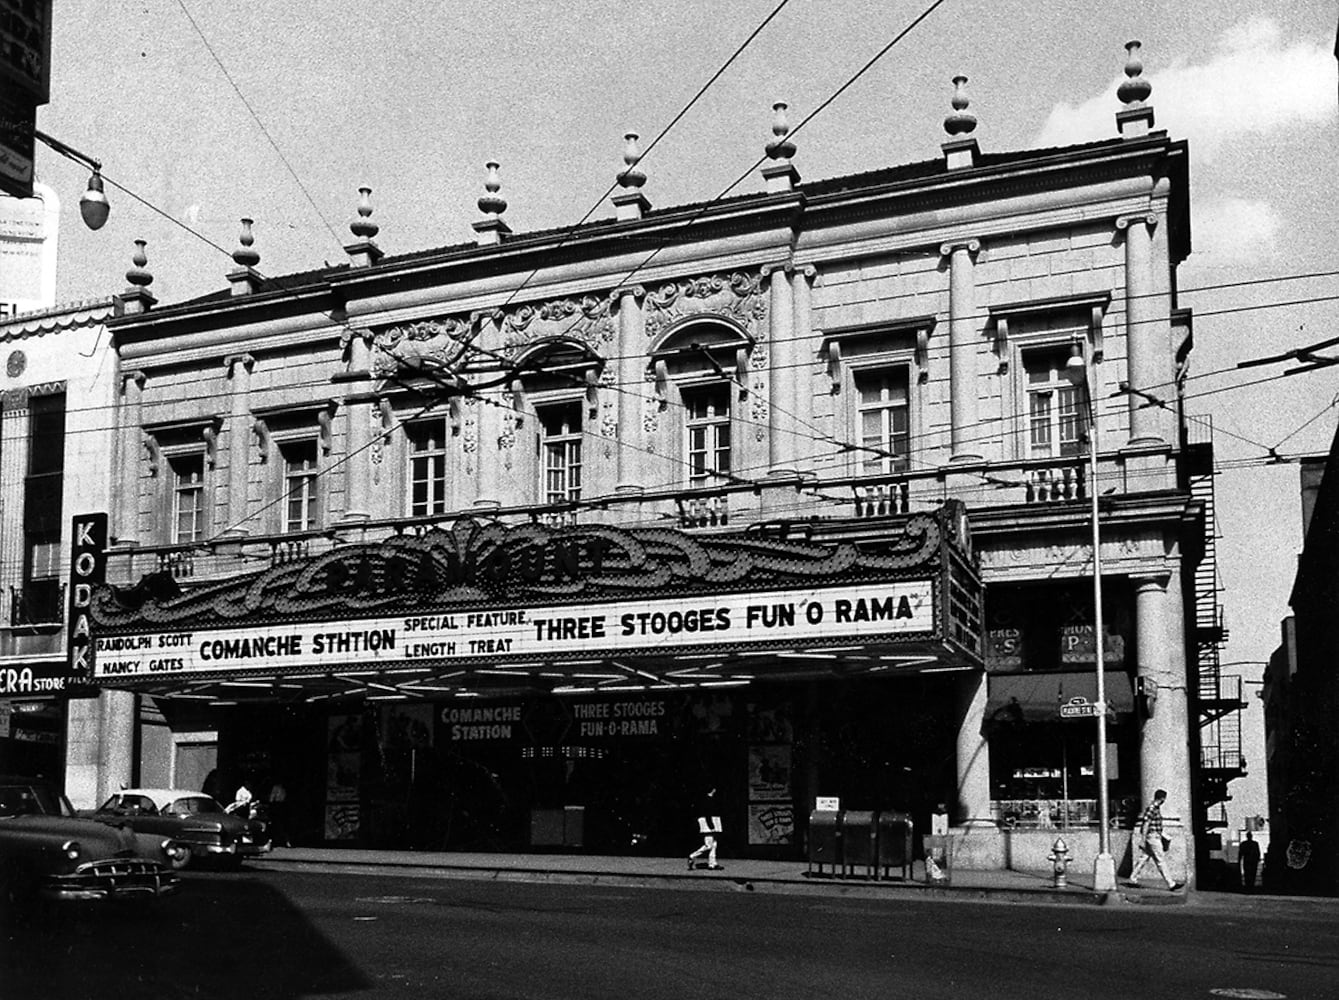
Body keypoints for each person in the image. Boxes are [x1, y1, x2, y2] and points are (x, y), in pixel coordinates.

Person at [1126, 788, 1183, 891]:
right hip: (1153, 837)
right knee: (1160, 860)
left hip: (1153, 836)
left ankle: (1132, 878)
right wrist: (1143, 839)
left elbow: (1147, 823)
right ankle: (1171, 883)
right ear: (1161, 798)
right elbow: (1146, 823)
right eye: (1164, 799)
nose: (1164, 801)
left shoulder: (1154, 808)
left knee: (1144, 858)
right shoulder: (1152, 808)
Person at [687, 787, 723, 871]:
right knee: (709, 845)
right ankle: (692, 856)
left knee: (714, 844)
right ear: (713, 789)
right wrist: (711, 825)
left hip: (711, 822)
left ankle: (712, 863)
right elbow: (708, 813)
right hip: (709, 823)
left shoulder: (709, 799)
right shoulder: (707, 800)